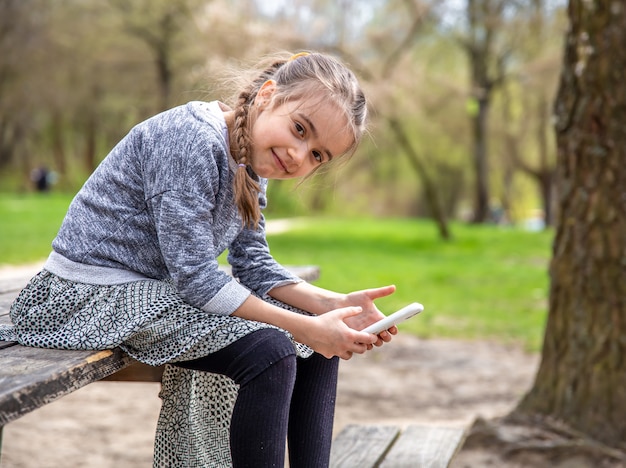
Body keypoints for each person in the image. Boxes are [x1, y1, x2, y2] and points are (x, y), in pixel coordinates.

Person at [5, 51, 397, 467]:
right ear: (268, 96)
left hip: (151, 293)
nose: (300, 155)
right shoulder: (189, 139)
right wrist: (306, 326)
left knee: (316, 346)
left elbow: (253, 264)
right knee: (273, 350)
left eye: (318, 155)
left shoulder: (252, 164)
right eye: (300, 129)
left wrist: (333, 307)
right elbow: (196, 278)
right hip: (84, 295)